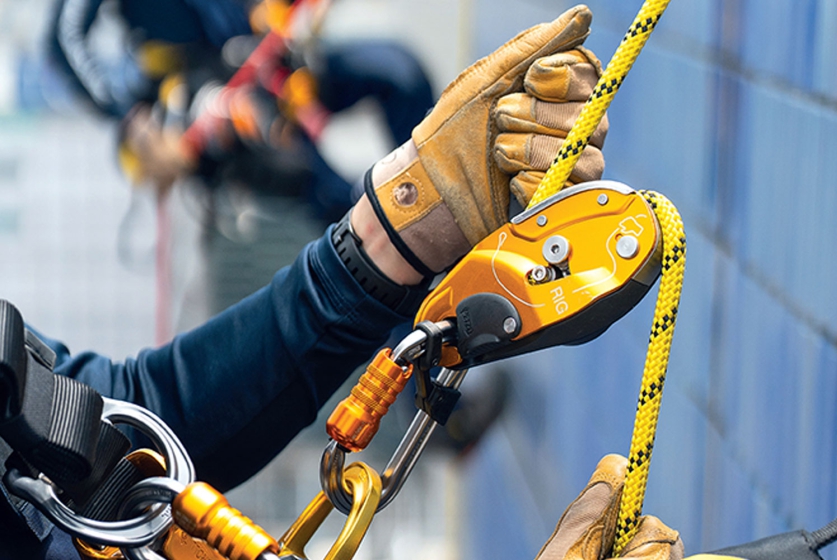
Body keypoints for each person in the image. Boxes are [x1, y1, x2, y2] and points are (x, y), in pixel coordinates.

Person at [5, 6, 682, 559]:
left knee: (392, 74)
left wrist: (397, 227)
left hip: (265, 64)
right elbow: (70, 41)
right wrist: (140, 119)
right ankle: (426, 371)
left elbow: (127, 416)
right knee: (319, 186)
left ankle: (426, 235)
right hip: (207, 107)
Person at [48, 0, 434, 223]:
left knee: (398, 73)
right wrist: (131, 119)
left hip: (274, 53)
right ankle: (409, 331)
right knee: (345, 205)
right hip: (210, 94)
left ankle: (437, 188)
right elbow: (65, 38)